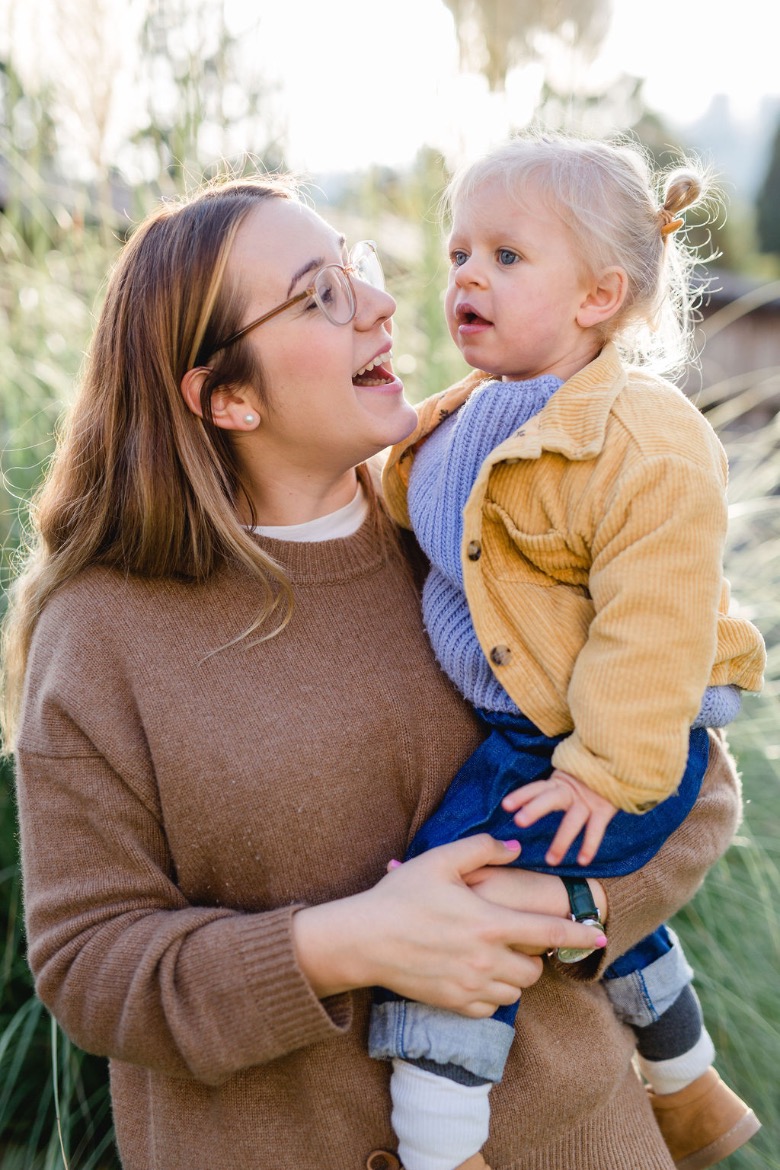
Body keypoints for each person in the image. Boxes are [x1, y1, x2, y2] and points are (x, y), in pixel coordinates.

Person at [0, 171, 746, 1170]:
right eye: (321, 295)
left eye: (356, 268)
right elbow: (92, 966)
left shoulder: (478, 525)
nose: (387, 305)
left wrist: (579, 905)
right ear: (226, 397)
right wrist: (347, 944)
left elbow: (691, 766)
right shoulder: (101, 633)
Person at [373, 132, 765, 1170]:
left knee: (458, 906)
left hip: (605, 743)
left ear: (598, 296)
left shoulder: (645, 437)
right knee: (583, 913)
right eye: (459, 252)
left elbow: (656, 625)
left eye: (507, 256)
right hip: (540, 725)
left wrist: (604, 773)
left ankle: (441, 1143)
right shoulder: (466, 413)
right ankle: (687, 1086)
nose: (467, 274)